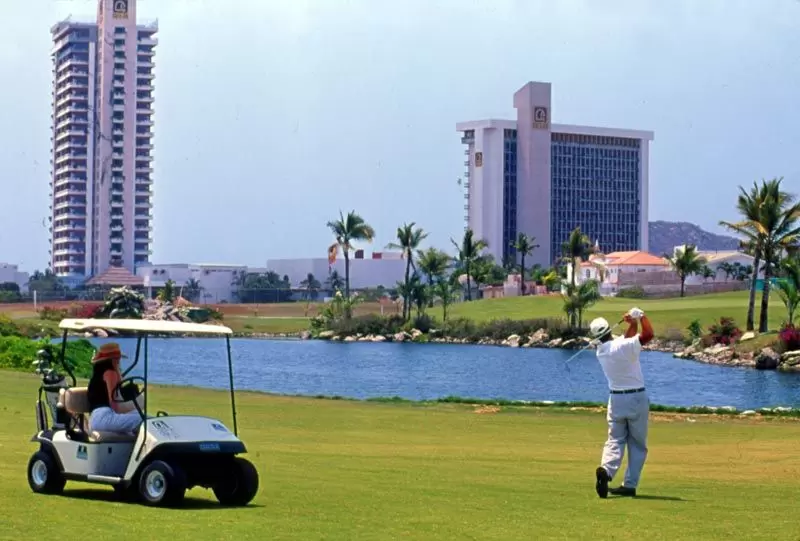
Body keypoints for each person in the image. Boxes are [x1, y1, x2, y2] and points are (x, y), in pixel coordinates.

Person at [590, 307, 654, 499]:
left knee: (615, 439)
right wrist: (641, 317)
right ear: (609, 330)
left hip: (616, 399)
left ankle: (606, 470)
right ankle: (629, 484)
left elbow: (626, 341)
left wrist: (632, 324)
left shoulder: (601, 351)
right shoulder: (624, 347)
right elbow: (649, 335)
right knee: (637, 444)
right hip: (636, 397)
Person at [87, 342, 143, 435]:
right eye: (117, 358)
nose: (119, 360)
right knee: (142, 419)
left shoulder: (99, 374)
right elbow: (114, 402)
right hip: (104, 417)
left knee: (144, 417)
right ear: (112, 359)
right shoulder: (110, 373)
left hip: (97, 418)